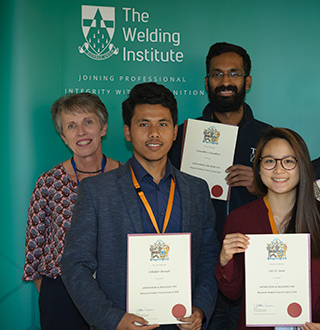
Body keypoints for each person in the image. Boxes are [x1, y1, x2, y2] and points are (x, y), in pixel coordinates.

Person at [61, 82, 219, 330]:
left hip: (181, 325)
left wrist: (200, 308)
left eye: (163, 124)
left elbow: (209, 257)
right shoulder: (97, 191)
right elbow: (75, 264)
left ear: (175, 132)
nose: (154, 133)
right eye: (144, 124)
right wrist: (112, 320)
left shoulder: (197, 190)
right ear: (127, 131)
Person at [168, 42, 272, 330]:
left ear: (247, 82)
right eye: (217, 74)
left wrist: (261, 186)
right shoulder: (183, 135)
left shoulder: (269, 137)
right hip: (198, 269)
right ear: (206, 82)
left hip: (253, 269)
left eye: (234, 73)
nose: (225, 82)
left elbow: (293, 198)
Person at [215, 127, 320, 330]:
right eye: (269, 161)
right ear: (258, 168)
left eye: (289, 161)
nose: (278, 169)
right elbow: (233, 293)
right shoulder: (239, 220)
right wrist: (224, 260)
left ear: (302, 166)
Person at [22, 93, 121, 329]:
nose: (81, 132)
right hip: (62, 295)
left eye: (88, 121)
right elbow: (35, 251)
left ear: (103, 127)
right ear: (64, 137)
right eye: (71, 126)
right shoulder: (49, 182)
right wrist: (54, 294)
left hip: (115, 293)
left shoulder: (127, 179)